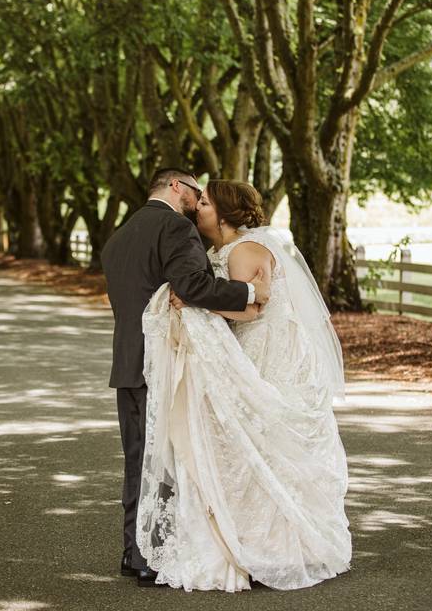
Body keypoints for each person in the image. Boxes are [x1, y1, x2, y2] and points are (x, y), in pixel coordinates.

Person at [137, 179, 352, 592]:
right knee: (259, 444)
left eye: (204, 202)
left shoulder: (243, 250)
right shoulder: (229, 249)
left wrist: (193, 300)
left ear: (226, 212)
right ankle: (269, 541)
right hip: (265, 347)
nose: (196, 207)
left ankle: (275, 547)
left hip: (270, 353)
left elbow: (250, 311)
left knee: (260, 441)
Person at [100, 169, 271, 587]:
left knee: (139, 459)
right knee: (170, 460)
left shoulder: (118, 237)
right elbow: (192, 285)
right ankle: (155, 552)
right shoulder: (175, 227)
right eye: (197, 192)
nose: (199, 202)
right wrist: (250, 293)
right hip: (164, 363)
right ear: (177, 187)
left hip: (126, 361)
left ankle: (135, 552)